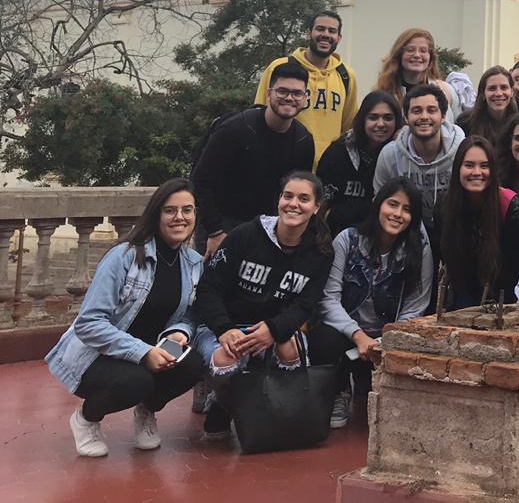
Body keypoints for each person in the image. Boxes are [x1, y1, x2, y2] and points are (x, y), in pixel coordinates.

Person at [48, 179, 207, 457]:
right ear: (156, 214)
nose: (179, 217)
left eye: (187, 210)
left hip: (152, 351)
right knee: (137, 381)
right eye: (170, 210)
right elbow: (89, 323)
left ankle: (146, 410)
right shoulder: (124, 256)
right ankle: (86, 418)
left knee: (193, 363)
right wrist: (143, 352)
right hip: (98, 354)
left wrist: (180, 331)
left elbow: (190, 314)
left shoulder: (193, 262)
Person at [195, 171, 334, 439]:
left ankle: (272, 407)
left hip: (274, 327)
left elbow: (305, 305)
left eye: (304, 199)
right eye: (288, 196)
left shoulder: (321, 253)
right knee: (225, 358)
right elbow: (208, 288)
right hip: (227, 325)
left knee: (290, 350)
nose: (294, 204)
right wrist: (224, 329)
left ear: (317, 207)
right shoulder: (245, 235)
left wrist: (274, 329)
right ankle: (224, 402)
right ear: (279, 199)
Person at [316, 181, 434, 428]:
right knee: (323, 337)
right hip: (348, 332)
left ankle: (373, 383)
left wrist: (387, 339)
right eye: (392, 204)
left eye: (407, 209)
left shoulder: (419, 250)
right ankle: (338, 390)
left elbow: (416, 306)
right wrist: (358, 336)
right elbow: (328, 298)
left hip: (388, 335)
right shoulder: (347, 240)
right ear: (378, 204)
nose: (397, 214)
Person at [194, 60, 315, 261]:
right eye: (282, 91)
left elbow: (296, 193)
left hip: (265, 230)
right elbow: (200, 180)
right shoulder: (235, 129)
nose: (289, 98)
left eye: (297, 93)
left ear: (305, 99)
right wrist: (214, 231)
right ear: (269, 94)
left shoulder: (303, 141)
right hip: (221, 224)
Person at [435, 137, 519, 309]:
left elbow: (514, 266)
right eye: (469, 165)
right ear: (458, 169)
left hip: (502, 295)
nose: (477, 172)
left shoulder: (511, 206)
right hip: (462, 290)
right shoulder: (444, 205)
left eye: (484, 166)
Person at [254, 10, 357, 165]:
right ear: (308, 33)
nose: (326, 34)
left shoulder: (346, 75)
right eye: (320, 29)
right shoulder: (280, 67)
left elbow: (349, 125)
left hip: (327, 168)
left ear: (339, 38)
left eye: (332, 31)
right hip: (283, 162)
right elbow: (259, 113)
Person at [373, 83, 464, 231]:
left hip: (454, 230)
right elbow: (379, 202)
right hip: (406, 231)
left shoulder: (462, 151)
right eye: (416, 111)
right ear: (406, 117)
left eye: (431, 110)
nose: (424, 117)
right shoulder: (390, 155)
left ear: (443, 116)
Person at [317, 90, 403, 235]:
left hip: (383, 235)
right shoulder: (337, 152)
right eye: (373, 117)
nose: (381, 124)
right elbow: (320, 204)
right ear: (362, 119)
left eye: (388, 118)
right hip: (336, 233)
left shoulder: (400, 154)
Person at [372, 28, 459, 122]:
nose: (417, 55)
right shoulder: (383, 91)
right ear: (399, 54)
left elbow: (457, 125)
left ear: (430, 57)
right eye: (410, 50)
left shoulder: (446, 91)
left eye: (423, 51)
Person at [457, 65, 519, 149]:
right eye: (492, 88)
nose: (499, 93)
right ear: (483, 93)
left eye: (504, 88)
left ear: (512, 92)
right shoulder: (466, 121)